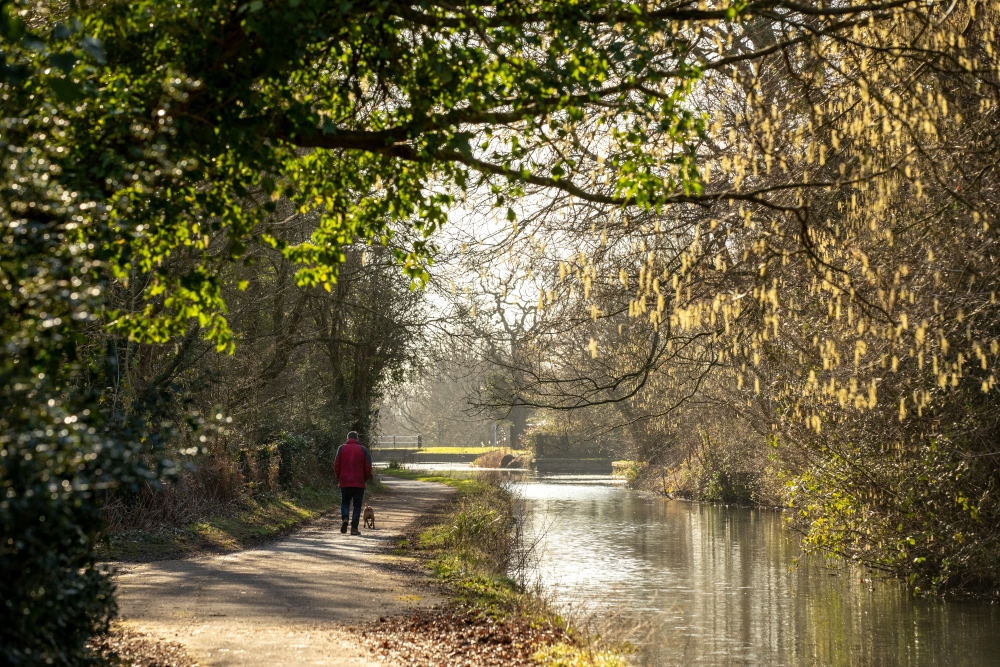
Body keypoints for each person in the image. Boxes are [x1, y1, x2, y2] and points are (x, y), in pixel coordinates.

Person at [333, 431, 373, 535]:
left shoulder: (341, 448)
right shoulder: (363, 450)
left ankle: (345, 518)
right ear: (357, 439)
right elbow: (368, 467)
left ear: (347, 438)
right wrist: (364, 478)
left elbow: (336, 465)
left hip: (345, 481)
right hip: (359, 482)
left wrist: (339, 477)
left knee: (345, 502)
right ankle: (354, 528)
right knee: (357, 505)